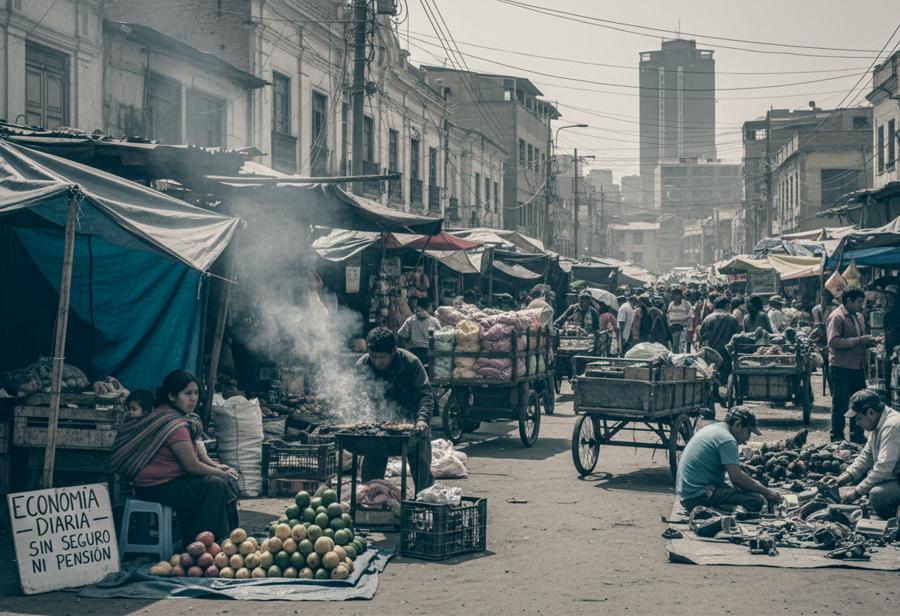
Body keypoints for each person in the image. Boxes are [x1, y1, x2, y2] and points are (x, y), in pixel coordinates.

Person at [111, 370, 239, 544]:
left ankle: (209, 539)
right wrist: (221, 474)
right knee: (214, 485)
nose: (193, 398)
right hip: (155, 487)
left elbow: (196, 458)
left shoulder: (168, 414)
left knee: (212, 481)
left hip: (163, 483)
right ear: (172, 396)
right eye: (187, 394)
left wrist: (217, 468)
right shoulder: (175, 425)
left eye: (196, 393)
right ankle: (198, 544)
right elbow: (192, 466)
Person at [356, 327, 434, 494]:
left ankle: (426, 502)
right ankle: (371, 504)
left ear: (393, 351)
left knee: (422, 467)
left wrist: (422, 420)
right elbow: (357, 396)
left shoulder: (411, 363)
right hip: (378, 425)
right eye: (373, 356)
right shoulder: (363, 364)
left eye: (382, 357)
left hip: (412, 423)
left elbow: (425, 395)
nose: (377, 361)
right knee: (370, 475)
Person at [676, 407, 782, 512]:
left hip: (687, 494)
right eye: (748, 432)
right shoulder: (727, 440)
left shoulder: (715, 429)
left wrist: (745, 470)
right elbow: (736, 478)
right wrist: (767, 492)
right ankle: (725, 510)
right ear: (738, 425)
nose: (747, 439)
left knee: (745, 490)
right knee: (756, 500)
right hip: (697, 496)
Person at [826, 390, 900, 519]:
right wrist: (843, 478)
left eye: (859, 418)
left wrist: (856, 492)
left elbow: (883, 468)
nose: (857, 423)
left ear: (871, 412)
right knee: (866, 480)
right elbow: (866, 456)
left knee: (878, 495)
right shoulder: (878, 422)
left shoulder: (892, 426)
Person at [827, 288, 879, 443]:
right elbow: (833, 342)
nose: (861, 306)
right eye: (858, 302)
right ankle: (836, 436)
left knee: (859, 403)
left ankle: (856, 434)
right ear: (848, 301)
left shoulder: (859, 316)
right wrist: (858, 340)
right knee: (841, 403)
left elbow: (859, 339)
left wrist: (869, 342)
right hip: (841, 366)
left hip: (857, 366)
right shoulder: (836, 317)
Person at [700, 296, 742, 387]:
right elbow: (738, 335)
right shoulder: (732, 319)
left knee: (711, 374)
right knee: (725, 374)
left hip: (711, 352)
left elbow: (702, 335)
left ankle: (715, 391)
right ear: (727, 306)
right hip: (727, 353)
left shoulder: (708, 318)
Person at [398, 302, 441, 368]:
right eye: (416, 311)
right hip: (419, 351)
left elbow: (402, 335)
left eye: (419, 310)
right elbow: (401, 335)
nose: (417, 313)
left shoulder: (433, 321)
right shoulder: (410, 321)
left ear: (426, 309)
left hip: (422, 352)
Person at [667, 288, 692, 353]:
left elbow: (691, 315)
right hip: (672, 327)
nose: (676, 296)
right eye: (674, 295)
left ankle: (679, 357)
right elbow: (669, 314)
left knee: (680, 344)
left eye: (678, 295)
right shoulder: (671, 304)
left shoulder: (686, 304)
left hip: (682, 326)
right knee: (674, 345)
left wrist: (689, 328)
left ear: (681, 295)